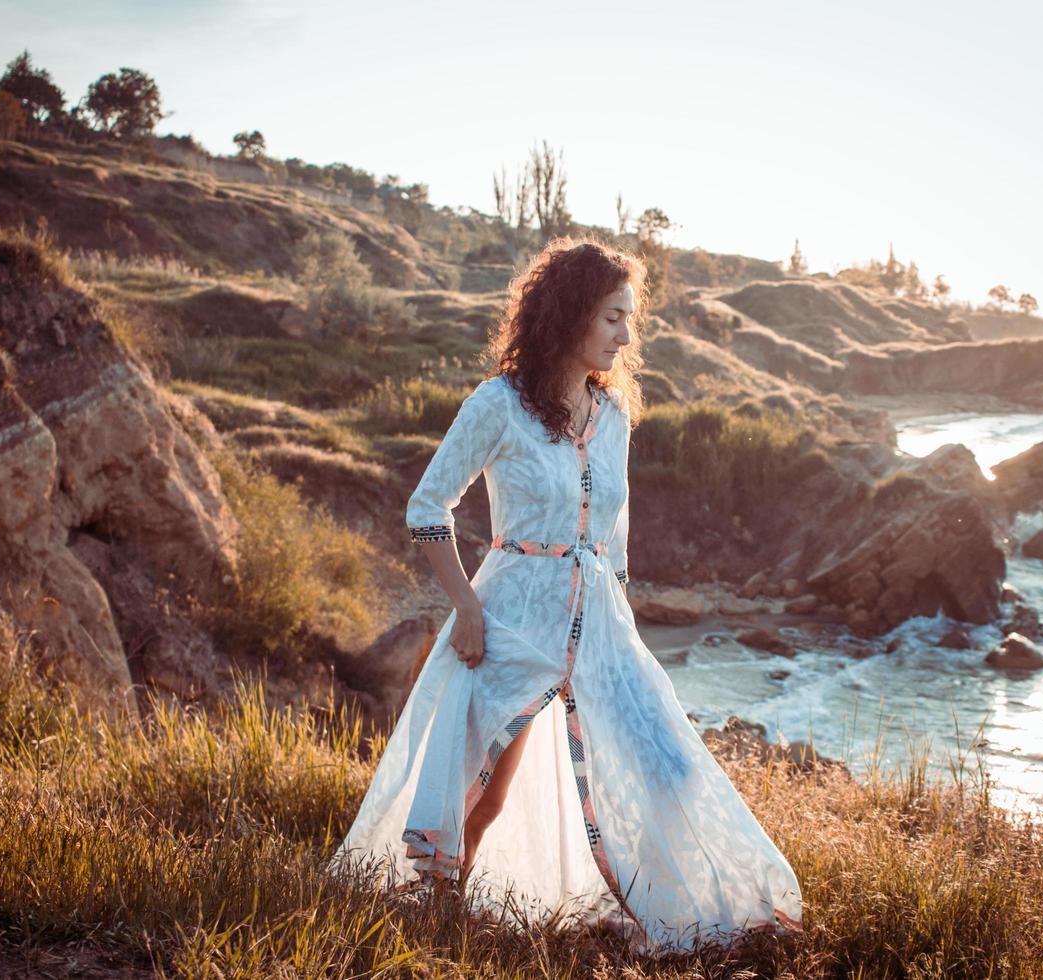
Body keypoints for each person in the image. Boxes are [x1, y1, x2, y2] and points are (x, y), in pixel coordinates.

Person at [332, 237, 802, 952]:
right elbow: (429, 507)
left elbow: (615, 535)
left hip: (601, 622)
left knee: (665, 765)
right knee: (483, 789)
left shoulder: (613, 416)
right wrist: (465, 607)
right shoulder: (499, 405)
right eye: (614, 316)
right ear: (572, 312)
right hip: (510, 618)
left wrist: (623, 625)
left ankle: (694, 910)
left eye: (629, 318)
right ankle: (441, 918)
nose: (626, 334)